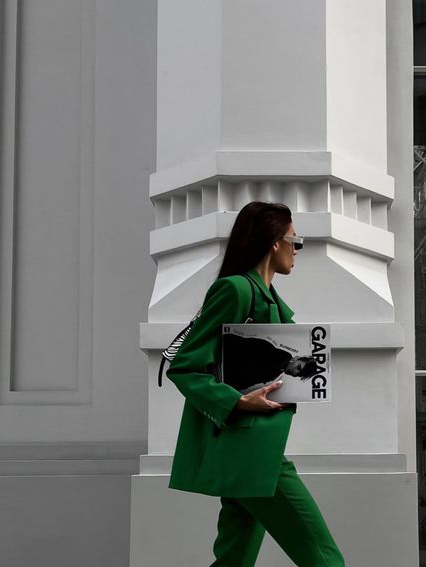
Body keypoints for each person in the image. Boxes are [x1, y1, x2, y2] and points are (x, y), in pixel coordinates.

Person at [167, 202, 345, 566]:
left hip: (252, 448)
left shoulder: (270, 301)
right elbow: (184, 367)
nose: (297, 250)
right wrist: (237, 401)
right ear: (273, 242)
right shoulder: (235, 291)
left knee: (233, 559)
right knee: (323, 557)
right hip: (251, 453)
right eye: (294, 240)